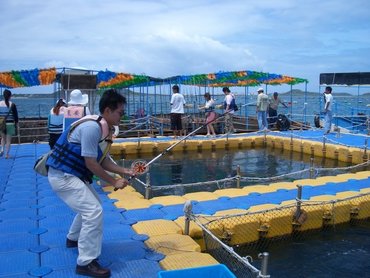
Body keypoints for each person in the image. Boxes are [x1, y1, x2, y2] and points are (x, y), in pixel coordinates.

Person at [46, 89, 133, 278]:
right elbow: (91, 163)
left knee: (92, 204)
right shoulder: (92, 128)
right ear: (108, 111)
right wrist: (113, 181)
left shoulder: (103, 128)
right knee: (93, 211)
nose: (122, 116)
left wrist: (125, 171)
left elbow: (103, 159)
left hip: (71, 175)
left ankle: (73, 238)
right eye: (120, 112)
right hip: (63, 176)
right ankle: (86, 262)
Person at [0, 89, 18, 159]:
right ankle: (7, 154)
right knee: (8, 140)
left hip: (1, 124)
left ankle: (2, 150)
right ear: (10, 96)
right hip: (10, 124)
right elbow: (15, 116)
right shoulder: (12, 104)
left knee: (2, 138)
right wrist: (16, 124)